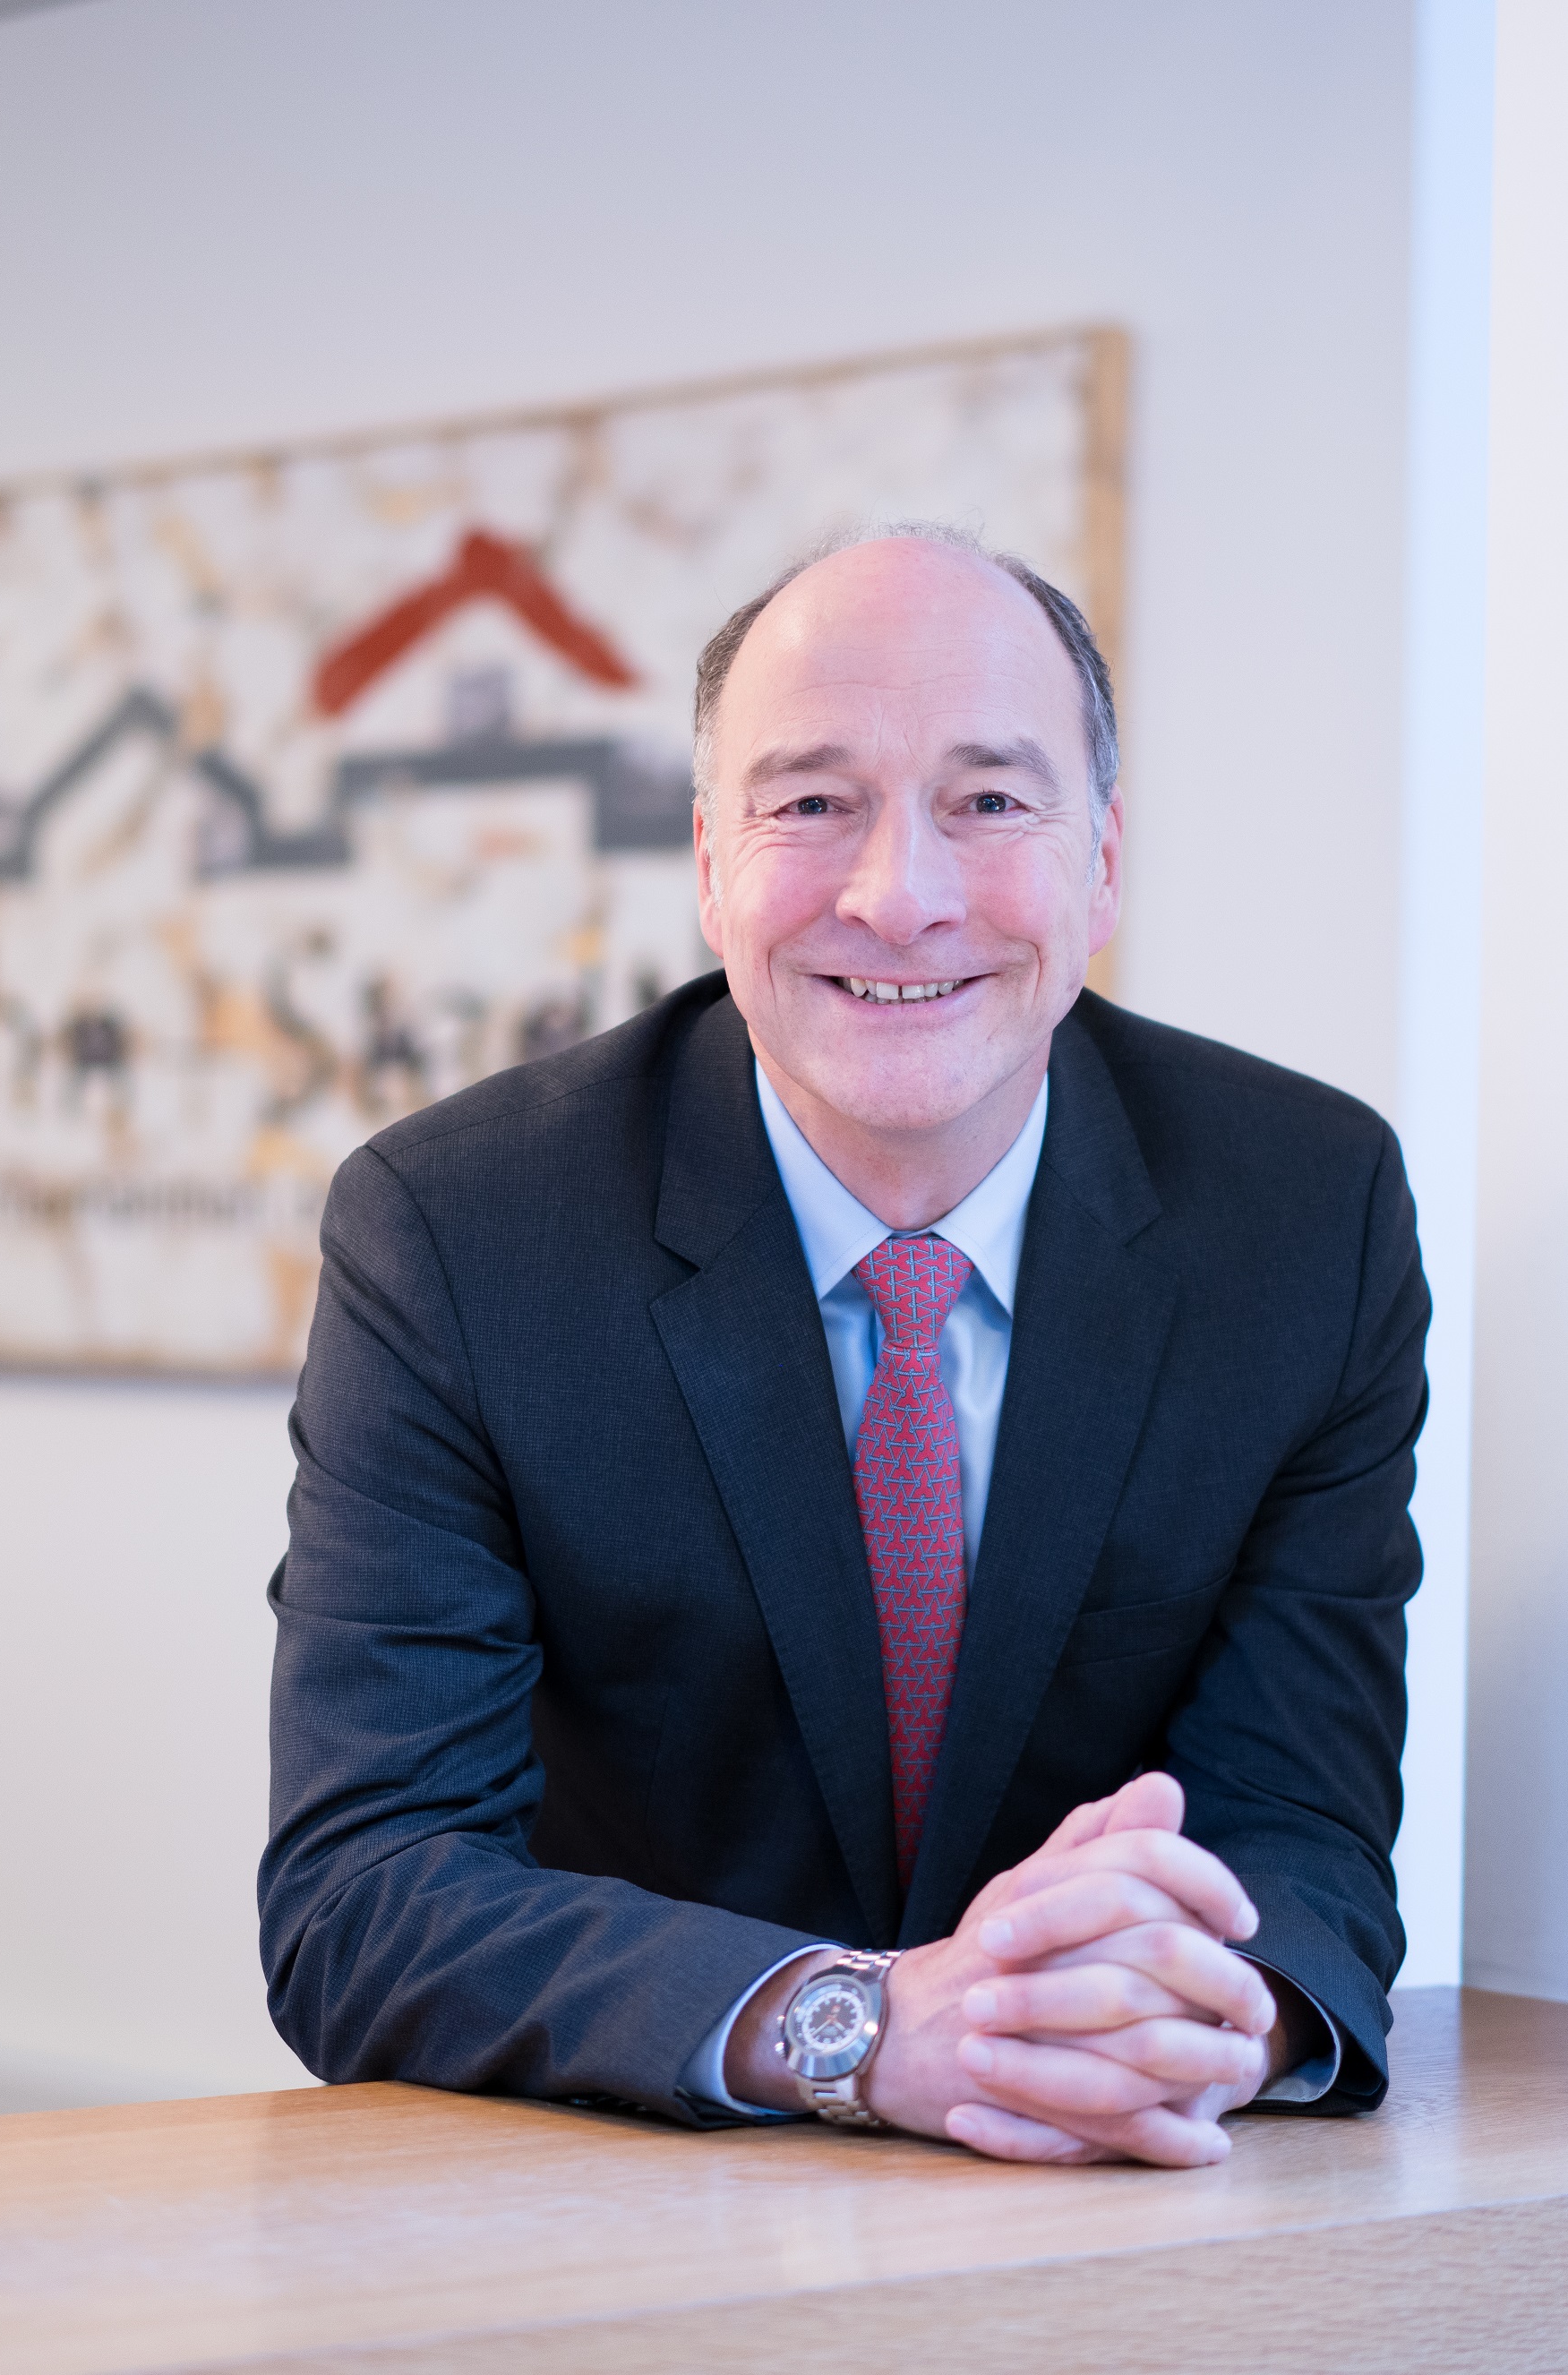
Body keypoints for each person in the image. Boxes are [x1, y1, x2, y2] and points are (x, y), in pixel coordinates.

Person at [259, 525, 1428, 2167]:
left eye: (988, 801)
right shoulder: (458, 1233)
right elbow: (365, 1891)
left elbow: (1300, 1832)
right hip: (621, 2206)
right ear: (709, 863)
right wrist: (865, 2027)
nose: (899, 895)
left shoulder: (1303, 1213)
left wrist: (1179, 2011)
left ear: (1100, 863)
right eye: (811, 803)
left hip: (1123, 2192)